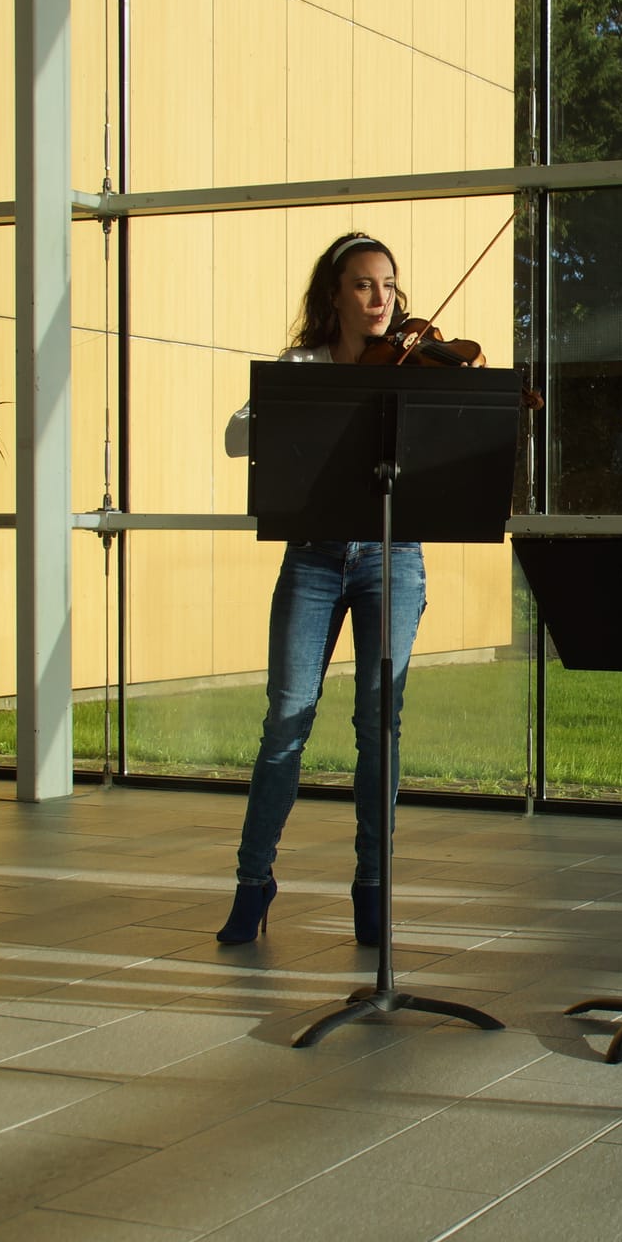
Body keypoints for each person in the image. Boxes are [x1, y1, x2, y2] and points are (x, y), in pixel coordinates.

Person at [215, 231, 431, 946]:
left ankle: (374, 883)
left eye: (389, 286)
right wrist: (315, 405)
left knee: (379, 725)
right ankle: (254, 879)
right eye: (365, 285)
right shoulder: (302, 365)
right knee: (286, 717)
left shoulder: (413, 365)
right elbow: (236, 435)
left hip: (390, 555)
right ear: (335, 294)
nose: (380, 299)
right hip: (313, 556)